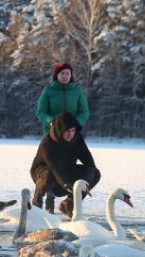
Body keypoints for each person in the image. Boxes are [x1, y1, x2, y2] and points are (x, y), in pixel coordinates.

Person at [35, 62, 90, 213]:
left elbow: (84, 112)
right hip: (52, 137)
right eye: (62, 74)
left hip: (71, 138)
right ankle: (47, 198)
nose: (65, 76)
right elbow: (41, 112)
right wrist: (51, 121)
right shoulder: (48, 91)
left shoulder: (77, 91)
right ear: (56, 75)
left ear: (71, 75)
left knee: (66, 167)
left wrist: (75, 125)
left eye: (67, 73)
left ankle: (66, 201)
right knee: (52, 167)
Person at [30, 111, 100, 218]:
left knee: (94, 173)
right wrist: (67, 185)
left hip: (67, 170)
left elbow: (87, 158)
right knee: (49, 175)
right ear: (59, 130)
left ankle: (69, 204)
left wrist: (89, 177)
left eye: (73, 130)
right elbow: (55, 168)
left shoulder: (77, 138)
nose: (70, 134)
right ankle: (36, 204)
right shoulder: (47, 143)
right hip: (44, 172)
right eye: (67, 131)